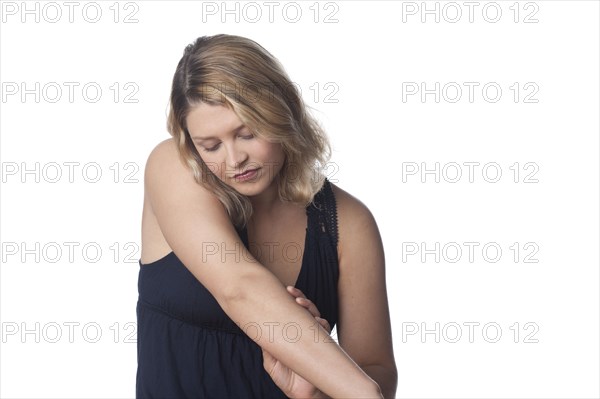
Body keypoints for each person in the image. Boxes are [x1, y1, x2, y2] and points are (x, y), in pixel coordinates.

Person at [136, 34, 397, 398]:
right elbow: (238, 288)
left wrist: (315, 391)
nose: (233, 159)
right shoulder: (174, 167)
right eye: (210, 145)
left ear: (281, 111)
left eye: (247, 133)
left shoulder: (349, 223)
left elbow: (376, 369)